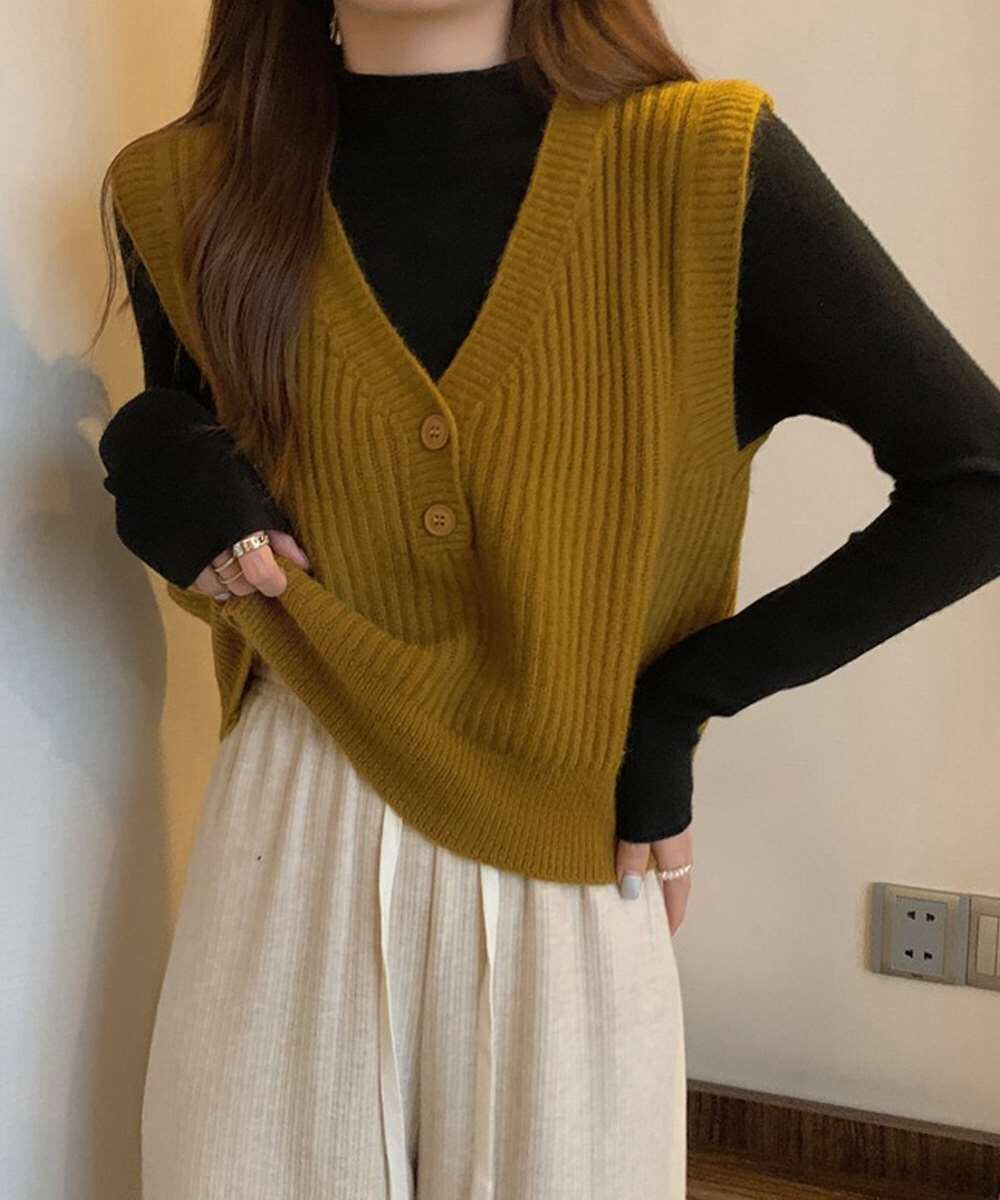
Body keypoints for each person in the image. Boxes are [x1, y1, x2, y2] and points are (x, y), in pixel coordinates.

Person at [91, 1, 1000, 1196]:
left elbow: (973, 481)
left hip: (571, 843)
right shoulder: (179, 188)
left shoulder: (699, 164)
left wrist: (674, 706)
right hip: (293, 812)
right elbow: (222, 515)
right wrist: (158, 453)